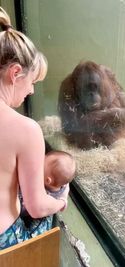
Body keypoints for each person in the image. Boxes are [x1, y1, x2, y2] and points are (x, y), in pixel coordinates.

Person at [0, 7, 68, 250]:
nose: (31, 91)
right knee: (49, 210)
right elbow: (37, 206)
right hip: (4, 243)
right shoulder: (26, 129)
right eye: (32, 82)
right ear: (15, 73)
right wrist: (60, 203)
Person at [20, 150, 76, 227]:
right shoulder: (64, 186)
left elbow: (30, 208)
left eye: (41, 165)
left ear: (47, 180)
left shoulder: (48, 198)